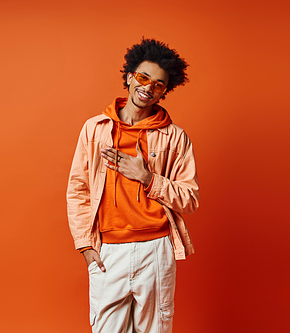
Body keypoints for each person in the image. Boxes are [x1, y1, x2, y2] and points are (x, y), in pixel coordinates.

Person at [67, 38, 199, 333]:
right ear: (129, 77)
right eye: (143, 77)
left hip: (156, 249)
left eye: (158, 84)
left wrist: (148, 177)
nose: (148, 87)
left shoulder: (175, 138)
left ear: (165, 91)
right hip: (108, 251)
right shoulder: (95, 129)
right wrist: (85, 246)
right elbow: (78, 190)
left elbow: (190, 199)